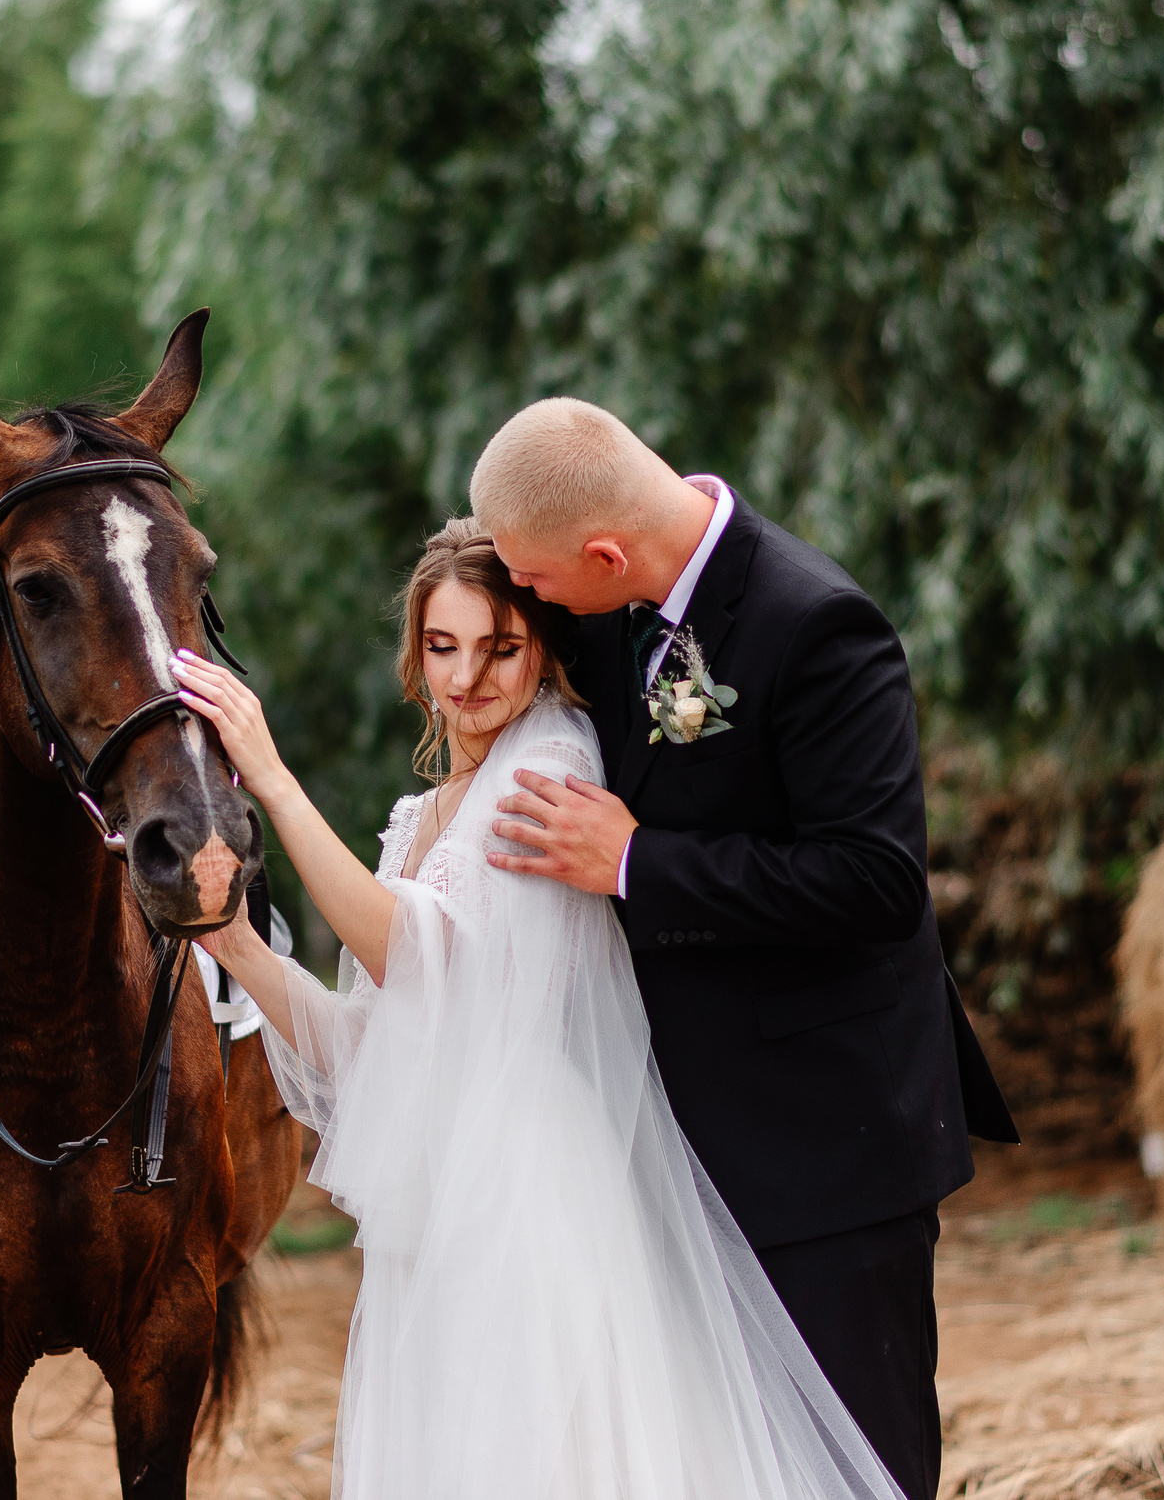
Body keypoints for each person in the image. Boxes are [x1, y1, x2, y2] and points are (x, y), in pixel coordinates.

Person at [176, 519, 906, 1500]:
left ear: (543, 646)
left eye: (499, 645)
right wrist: (233, 943)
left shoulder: (550, 765)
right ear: (414, 652)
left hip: (530, 1192)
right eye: (443, 645)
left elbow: (402, 946)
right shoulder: (418, 816)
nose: (468, 676)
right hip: (442, 1202)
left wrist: (268, 774)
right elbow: (364, 1047)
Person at [466, 399, 1019, 1500]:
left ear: (606, 552)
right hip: (674, 1141)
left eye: (534, 579)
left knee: (858, 1469)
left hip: (828, 1141)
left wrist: (635, 859)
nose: (527, 601)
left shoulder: (817, 625)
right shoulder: (612, 604)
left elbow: (874, 880)